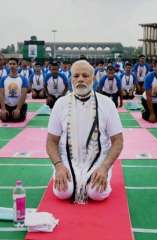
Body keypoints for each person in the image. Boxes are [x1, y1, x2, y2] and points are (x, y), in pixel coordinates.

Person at [47, 60, 123, 203]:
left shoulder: (107, 103)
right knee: (63, 192)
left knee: (96, 193)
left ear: (93, 78)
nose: (80, 79)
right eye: (76, 76)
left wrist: (105, 167)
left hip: (99, 158)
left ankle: (101, 175)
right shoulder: (60, 104)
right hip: (67, 158)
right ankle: (68, 175)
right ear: (71, 79)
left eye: (85, 75)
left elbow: (118, 141)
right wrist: (58, 166)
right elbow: (51, 141)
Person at [0, 58, 29, 122]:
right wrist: (3, 109)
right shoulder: (3, 79)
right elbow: (1, 94)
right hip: (7, 105)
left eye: (14, 64)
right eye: (10, 64)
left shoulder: (23, 79)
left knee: (17, 119)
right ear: (8, 65)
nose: (12, 66)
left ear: (17, 65)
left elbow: (24, 95)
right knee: (3, 119)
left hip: (19, 105)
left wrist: (18, 109)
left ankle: (22, 110)